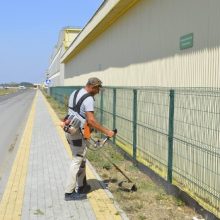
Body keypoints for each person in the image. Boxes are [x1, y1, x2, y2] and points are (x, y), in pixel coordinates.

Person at [64, 77, 115, 201]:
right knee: (77, 160)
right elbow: (91, 120)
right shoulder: (88, 99)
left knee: (81, 160)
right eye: (98, 89)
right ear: (93, 87)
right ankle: (69, 193)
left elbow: (76, 113)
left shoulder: (75, 93)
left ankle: (82, 186)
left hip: (70, 130)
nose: (98, 92)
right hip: (77, 134)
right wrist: (107, 131)